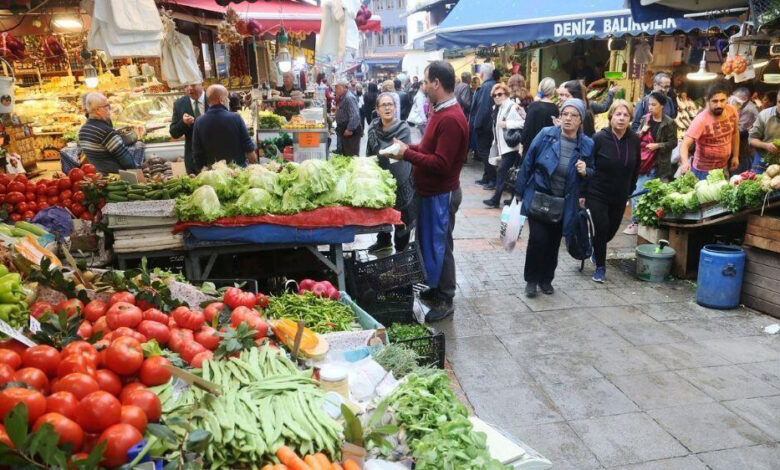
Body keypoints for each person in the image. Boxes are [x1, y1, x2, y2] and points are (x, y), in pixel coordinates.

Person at [385, 61, 468, 322]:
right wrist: (409, 148)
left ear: (436, 83)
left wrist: (408, 154)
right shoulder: (440, 112)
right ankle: (436, 290)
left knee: (441, 246)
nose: (422, 86)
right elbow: (431, 148)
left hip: (442, 193)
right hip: (431, 192)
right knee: (433, 244)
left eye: (425, 81)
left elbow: (442, 164)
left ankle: (446, 298)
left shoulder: (452, 119)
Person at [515, 98, 593, 298]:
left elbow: (594, 172)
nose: (567, 118)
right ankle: (531, 280)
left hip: (565, 202)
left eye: (573, 115)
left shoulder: (587, 144)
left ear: (580, 120)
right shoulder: (546, 135)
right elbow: (528, 162)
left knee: (553, 243)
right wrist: (519, 191)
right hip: (540, 195)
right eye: (564, 114)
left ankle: (546, 279)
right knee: (537, 240)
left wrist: (586, 171)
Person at [586, 100, 640, 282]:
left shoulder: (634, 139)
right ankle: (600, 266)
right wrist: (582, 192)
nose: (621, 118)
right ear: (610, 116)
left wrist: (630, 189)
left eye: (625, 115)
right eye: (618, 114)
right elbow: (588, 164)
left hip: (620, 194)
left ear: (630, 118)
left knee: (611, 230)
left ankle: (596, 247)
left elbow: (636, 166)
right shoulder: (599, 138)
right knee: (601, 227)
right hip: (598, 192)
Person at [623, 91, 678, 235]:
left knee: (656, 194)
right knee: (638, 192)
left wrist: (658, 146)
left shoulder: (669, 123)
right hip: (643, 162)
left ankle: (652, 223)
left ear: (662, 106)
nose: (650, 107)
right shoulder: (644, 119)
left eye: (654, 105)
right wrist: (642, 131)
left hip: (659, 164)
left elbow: (673, 143)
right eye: (649, 104)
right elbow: (636, 139)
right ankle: (635, 222)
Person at [366, 92, 414, 253]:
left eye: (390, 104)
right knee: (382, 211)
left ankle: (401, 250)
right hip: (380, 178)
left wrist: (378, 155)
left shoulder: (403, 128)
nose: (387, 108)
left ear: (395, 107)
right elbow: (369, 152)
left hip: (401, 179)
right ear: (377, 110)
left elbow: (397, 153)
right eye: (383, 105)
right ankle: (383, 242)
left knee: (401, 217)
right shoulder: (373, 128)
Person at [679, 82, 739, 180]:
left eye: (722, 100)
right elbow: (685, 144)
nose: (719, 104)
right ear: (707, 100)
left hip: (723, 167)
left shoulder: (732, 111)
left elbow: (735, 133)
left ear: (727, 99)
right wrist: (685, 163)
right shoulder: (700, 120)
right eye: (715, 101)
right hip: (703, 171)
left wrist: (735, 155)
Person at [191, 85, 256, 171]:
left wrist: (201, 172)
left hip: (214, 175)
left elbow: (197, 153)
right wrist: (255, 166)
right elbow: (248, 147)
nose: (228, 100)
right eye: (227, 98)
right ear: (221, 99)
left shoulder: (199, 122)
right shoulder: (236, 118)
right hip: (238, 172)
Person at [78, 92, 139, 174]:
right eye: (107, 106)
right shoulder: (106, 133)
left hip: (98, 176)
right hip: (115, 178)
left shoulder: (83, 130)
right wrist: (139, 173)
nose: (110, 109)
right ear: (98, 110)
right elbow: (127, 161)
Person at [483, 82, 523, 208]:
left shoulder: (512, 106)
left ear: (506, 94)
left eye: (499, 94)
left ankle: (496, 199)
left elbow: (523, 123)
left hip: (512, 146)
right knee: (510, 174)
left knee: (502, 172)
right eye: (494, 95)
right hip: (503, 147)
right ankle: (512, 199)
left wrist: (507, 124)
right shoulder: (497, 108)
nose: (496, 97)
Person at [170, 81, 207, 175]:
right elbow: (174, 133)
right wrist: (183, 123)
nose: (189, 88)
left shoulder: (213, 97)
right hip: (193, 160)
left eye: (193, 84)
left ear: (202, 83)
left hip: (217, 158)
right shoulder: (179, 104)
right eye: (186, 86)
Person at [470, 63, 498, 189]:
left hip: (484, 126)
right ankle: (487, 177)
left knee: (484, 152)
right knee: (486, 151)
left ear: (482, 74)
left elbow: (483, 107)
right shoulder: (491, 85)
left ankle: (492, 179)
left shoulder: (487, 86)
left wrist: (476, 124)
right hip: (489, 125)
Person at [521, 77, 559, 164]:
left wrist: (522, 143)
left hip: (531, 145)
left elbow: (527, 127)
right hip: (546, 147)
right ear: (553, 90)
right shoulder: (555, 108)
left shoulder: (534, 106)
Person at [749, 89, 780, 172]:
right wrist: (766, 145)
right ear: (776, 102)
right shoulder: (764, 115)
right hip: (762, 160)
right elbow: (752, 139)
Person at [334, 78, 363, 156]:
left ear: (344, 87)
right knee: (346, 152)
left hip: (351, 131)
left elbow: (355, 115)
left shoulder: (349, 97)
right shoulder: (343, 97)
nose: (335, 90)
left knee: (351, 154)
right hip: (345, 129)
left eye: (337, 87)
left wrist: (350, 129)